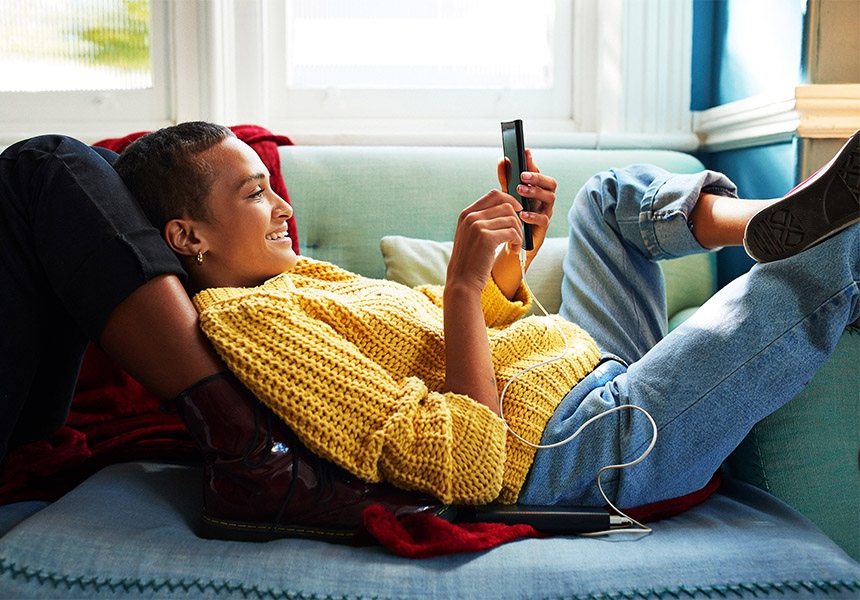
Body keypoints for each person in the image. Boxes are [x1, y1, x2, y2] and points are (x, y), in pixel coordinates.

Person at [2, 124, 858, 543]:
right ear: (187, 237)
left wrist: (506, 272)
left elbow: (487, 339)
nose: (284, 205)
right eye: (257, 191)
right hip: (584, 448)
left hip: (579, 370)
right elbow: (464, 463)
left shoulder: (298, 278)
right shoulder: (250, 320)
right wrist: (456, 287)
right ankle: (813, 242)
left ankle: (769, 217)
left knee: (606, 196)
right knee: (831, 262)